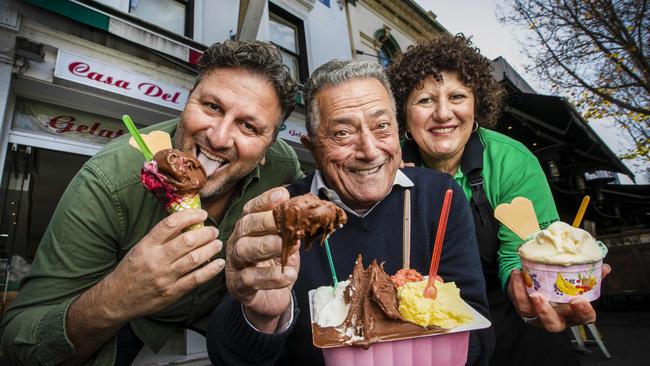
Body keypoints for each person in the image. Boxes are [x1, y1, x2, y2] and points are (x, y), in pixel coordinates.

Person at [0, 40, 302, 366]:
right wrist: (115, 299)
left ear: (267, 150)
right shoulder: (109, 181)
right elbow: (16, 343)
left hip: (221, 310)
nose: (217, 137)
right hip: (133, 322)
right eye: (212, 106)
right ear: (187, 102)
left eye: (248, 126)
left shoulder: (282, 167)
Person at [207, 60, 494, 365]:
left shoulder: (440, 196)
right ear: (312, 147)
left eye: (382, 126)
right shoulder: (281, 214)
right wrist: (260, 317)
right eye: (342, 133)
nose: (369, 150)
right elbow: (228, 357)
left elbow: (478, 334)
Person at [387, 34, 610, 365]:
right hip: (422, 322)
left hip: (507, 318)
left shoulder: (511, 162)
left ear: (477, 105)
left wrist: (529, 291)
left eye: (458, 96)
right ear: (403, 112)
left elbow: (520, 253)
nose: (443, 113)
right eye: (425, 101)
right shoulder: (389, 167)